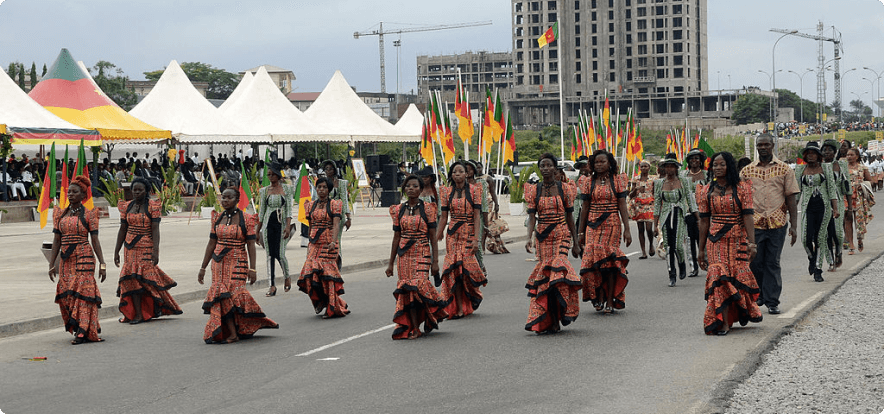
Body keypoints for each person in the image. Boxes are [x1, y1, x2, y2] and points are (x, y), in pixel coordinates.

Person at [197, 188, 278, 344]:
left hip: (238, 261)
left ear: (237, 200)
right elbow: (211, 243)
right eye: (223, 198)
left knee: (235, 293)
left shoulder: (246, 219)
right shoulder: (217, 218)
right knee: (221, 296)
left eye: (229, 198)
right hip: (218, 262)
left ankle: (244, 326)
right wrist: (203, 267)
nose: (225, 200)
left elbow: (251, 245)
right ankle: (232, 332)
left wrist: (252, 269)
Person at [697, 152, 763, 335]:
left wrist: (752, 243)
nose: (718, 168)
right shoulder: (706, 190)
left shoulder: (742, 188)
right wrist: (700, 250)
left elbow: (748, 216)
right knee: (718, 277)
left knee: (735, 278)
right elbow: (703, 221)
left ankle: (739, 312)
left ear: (730, 167)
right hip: (715, 241)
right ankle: (724, 322)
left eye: (722, 164)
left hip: (737, 240)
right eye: (715, 165)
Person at [739, 133, 799, 315]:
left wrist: (794, 226)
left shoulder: (785, 170)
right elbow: (741, 200)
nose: (763, 148)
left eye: (766, 144)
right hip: (754, 224)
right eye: (760, 145)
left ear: (773, 145)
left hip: (777, 223)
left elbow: (791, 198)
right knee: (755, 262)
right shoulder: (746, 172)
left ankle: (772, 300)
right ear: (756, 147)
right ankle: (759, 296)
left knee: (772, 262)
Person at [524, 154, 582, 334]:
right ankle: (550, 318)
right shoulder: (534, 190)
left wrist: (576, 242)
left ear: (555, 169)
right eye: (542, 165)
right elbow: (532, 217)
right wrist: (528, 238)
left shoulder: (565, 188)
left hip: (561, 233)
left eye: (549, 165)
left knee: (558, 274)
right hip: (542, 237)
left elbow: (570, 216)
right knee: (546, 280)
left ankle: (559, 316)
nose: (545, 168)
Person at [385, 175, 447, 339]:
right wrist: (390, 264)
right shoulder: (398, 210)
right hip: (404, 255)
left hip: (422, 252)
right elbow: (396, 238)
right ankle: (414, 326)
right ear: (404, 189)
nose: (411, 189)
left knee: (419, 285)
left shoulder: (428, 208)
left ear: (420, 189)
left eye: (414, 186)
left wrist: (435, 261)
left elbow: (432, 237)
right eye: (408, 186)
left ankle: (432, 313)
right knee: (407, 289)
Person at [113, 178, 183, 324]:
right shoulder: (126, 206)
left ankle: (146, 311)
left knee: (144, 280)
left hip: (146, 246)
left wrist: (155, 251)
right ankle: (135, 313)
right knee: (131, 280)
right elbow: (122, 229)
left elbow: (155, 229)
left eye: (140, 190)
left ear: (147, 191)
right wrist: (116, 251)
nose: (137, 192)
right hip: (129, 248)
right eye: (134, 190)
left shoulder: (153, 206)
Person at [47, 175, 107, 345]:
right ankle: (80, 328)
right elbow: (56, 241)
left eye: (75, 192)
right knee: (67, 294)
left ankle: (82, 331)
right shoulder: (60, 214)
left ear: (83, 195)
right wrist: (51, 264)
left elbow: (95, 240)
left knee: (84, 294)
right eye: (69, 192)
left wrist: (102, 264)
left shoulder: (90, 215)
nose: (70, 195)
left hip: (84, 256)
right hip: (66, 259)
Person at [577, 150, 631, 313]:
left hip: (612, 224)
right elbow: (585, 207)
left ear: (610, 163)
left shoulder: (618, 180)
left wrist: (627, 229)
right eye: (596, 162)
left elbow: (622, 205)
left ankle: (609, 300)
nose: (599, 165)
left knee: (609, 264)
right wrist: (580, 233)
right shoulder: (588, 182)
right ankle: (598, 297)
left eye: (602, 162)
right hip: (592, 225)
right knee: (593, 263)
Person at [436, 161, 487, 319]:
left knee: (467, 268)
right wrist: (437, 234)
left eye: (460, 171)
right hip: (452, 234)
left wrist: (476, 239)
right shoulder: (445, 192)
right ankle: (458, 306)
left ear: (467, 174)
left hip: (469, 232)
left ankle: (473, 295)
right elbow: (444, 217)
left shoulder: (475, 190)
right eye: (454, 172)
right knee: (454, 270)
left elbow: (477, 215)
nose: (457, 174)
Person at [297, 177, 350, 318]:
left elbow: (336, 224)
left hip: (329, 243)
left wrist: (333, 241)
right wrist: (309, 245)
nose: (321, 189)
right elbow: (310, 226)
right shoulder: (310, 205)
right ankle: (321, 300)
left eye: (324, 187)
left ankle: (332, 307)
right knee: (308, 273)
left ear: (329, 189)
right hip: (314, 243)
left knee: (327, 275)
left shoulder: (335, 204)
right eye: (319, 187)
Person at [794, 142, 839, 282]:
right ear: (805, 156)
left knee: (820, 238)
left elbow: (831, 189)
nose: (811, 156)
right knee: (805, 239)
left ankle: (818, 270)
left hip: (823, 207)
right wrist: (791, 209)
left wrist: (835, 208)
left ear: (818, 156)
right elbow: (796, 192)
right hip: (808, 207)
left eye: (814, 153)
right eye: (808, 153)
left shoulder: (825, 167)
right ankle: (811, 258)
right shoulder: (800, 169)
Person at [654, 153, 698, 286]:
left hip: (679, 214)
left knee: (678, 246)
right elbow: (657, 204)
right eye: (667, 166)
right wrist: (654, 225)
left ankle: (682, 263)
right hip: (665, 216)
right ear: (664, 168)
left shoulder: (684, 181)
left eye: (672, 166)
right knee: (668, 247)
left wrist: (698, 218)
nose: (669, 169)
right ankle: (671, 274)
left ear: (676, 168)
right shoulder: (658, 183)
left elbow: (690, 200)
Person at [256, 162, 295, 297]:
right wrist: (257, 231)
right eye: (268, 175)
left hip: (281, 224)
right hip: (268, 225)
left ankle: (287, 276)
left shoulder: (287, 189)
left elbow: (289, 208)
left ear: (278, 175)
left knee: (280, 254)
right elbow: (261, 212)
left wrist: (288, 226)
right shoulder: (264, 191)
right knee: (269, 255)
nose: (270, 177)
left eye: (272, 174)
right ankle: (271, 285)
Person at [821, 139, 850, 270]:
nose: (827, 152)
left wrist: (849, 206)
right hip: (822, 202)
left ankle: (838, 252)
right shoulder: (818, 166)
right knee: (826, 233)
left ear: (835, 152)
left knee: (838, 232)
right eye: (824, 150)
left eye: (830, 150)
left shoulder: (841, 165)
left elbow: (847, 185)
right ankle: (830, 260)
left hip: (838, 200)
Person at [681, 148, 708, 277]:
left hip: (704, 212)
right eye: (692, 158)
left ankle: (707, 263)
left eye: (697, 158)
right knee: (689, 239)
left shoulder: (707, 175)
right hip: (687, 212)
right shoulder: (683, 175)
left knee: (704, 238)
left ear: (701, 160)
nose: (694, 161)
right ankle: (693, 267)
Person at [844, 147, 875, 255]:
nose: (849, 157)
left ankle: (860, 239)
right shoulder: (843, 168)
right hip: (846, 197)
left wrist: (864, 186)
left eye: (851, 155)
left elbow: (871, 181)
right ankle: (851, 245)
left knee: (859, 220)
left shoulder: (863, 168)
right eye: (848, 155)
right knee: (848, 219)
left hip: (859, 197)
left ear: (857, 156)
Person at [321, 160, 351, 261]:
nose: (328, 171)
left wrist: (348, 217)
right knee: (326, 240)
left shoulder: (340, 183)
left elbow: (344, 200)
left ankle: (338, 261)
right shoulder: (322, 183)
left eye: (330, 168)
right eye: (326, 169)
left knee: (336, 239)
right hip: (325, 215)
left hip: (338, 215)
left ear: (334, 170)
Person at [628, 160, 655, 259]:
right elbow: (630, 195)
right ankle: (643, 252)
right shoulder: (636, 179)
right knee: (640, 229)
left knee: (648, 228)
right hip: (639, 206)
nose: (643, 168)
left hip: (649, 205)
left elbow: (655, 193)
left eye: (645, 166)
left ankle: (651, 244)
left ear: (649, 167)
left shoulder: (653, 179)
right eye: (642, 166)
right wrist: (636, 189)